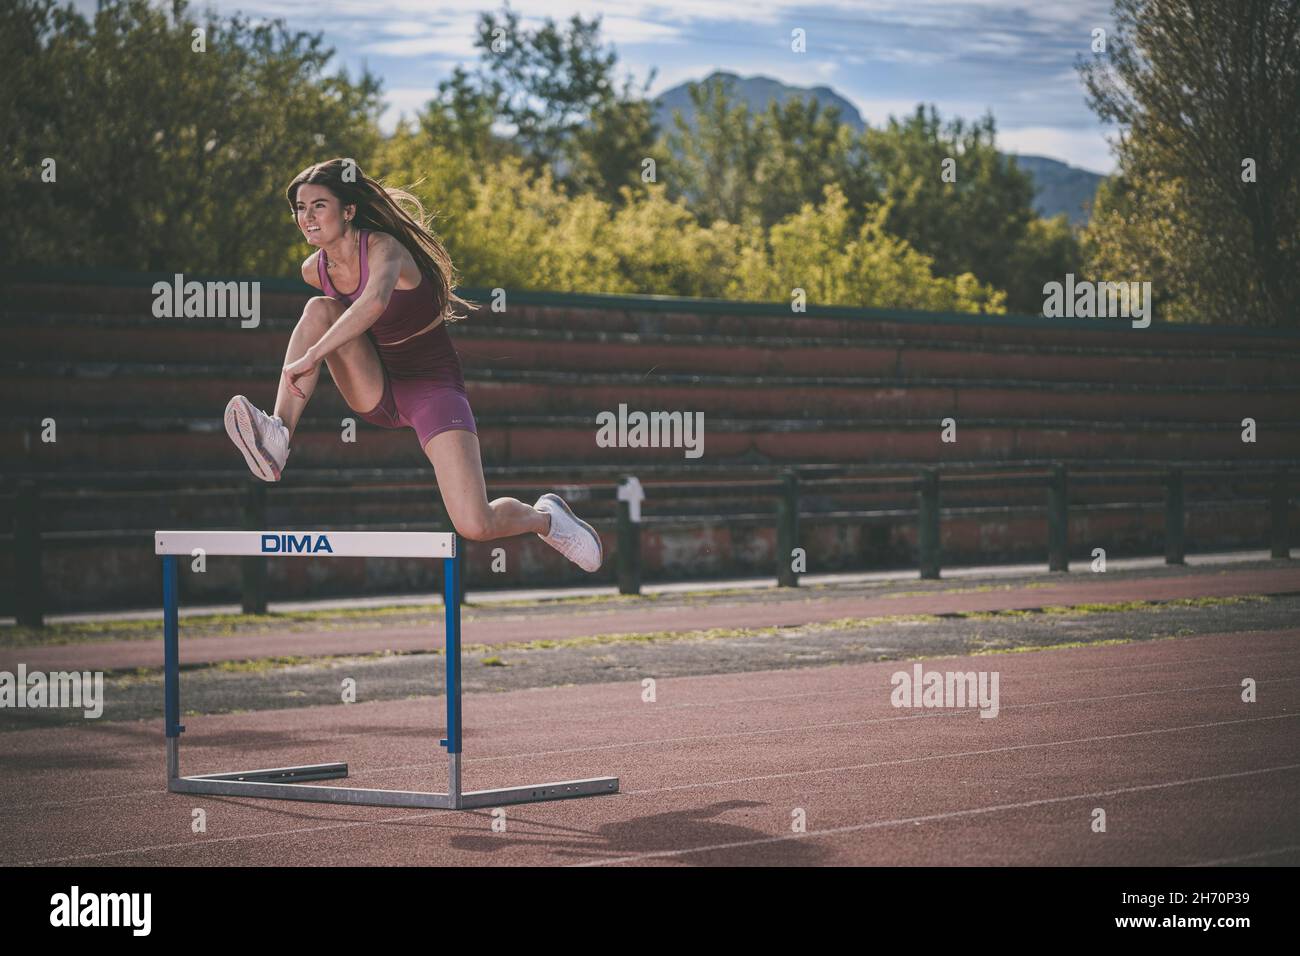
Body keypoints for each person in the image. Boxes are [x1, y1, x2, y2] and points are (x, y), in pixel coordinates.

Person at [223, 158, 601, 572]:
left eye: (318, 206)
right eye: (299, 207)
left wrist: (312, 356)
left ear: (348, 211)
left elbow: (373, 304)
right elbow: (344, 320)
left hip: (431, 387)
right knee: (319, 310)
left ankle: (547, 519)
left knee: (475, 523)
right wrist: (314, 353)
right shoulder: (315, 271)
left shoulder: (384, 248)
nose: (306, 217)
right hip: (378, 387)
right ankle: (278, 434)